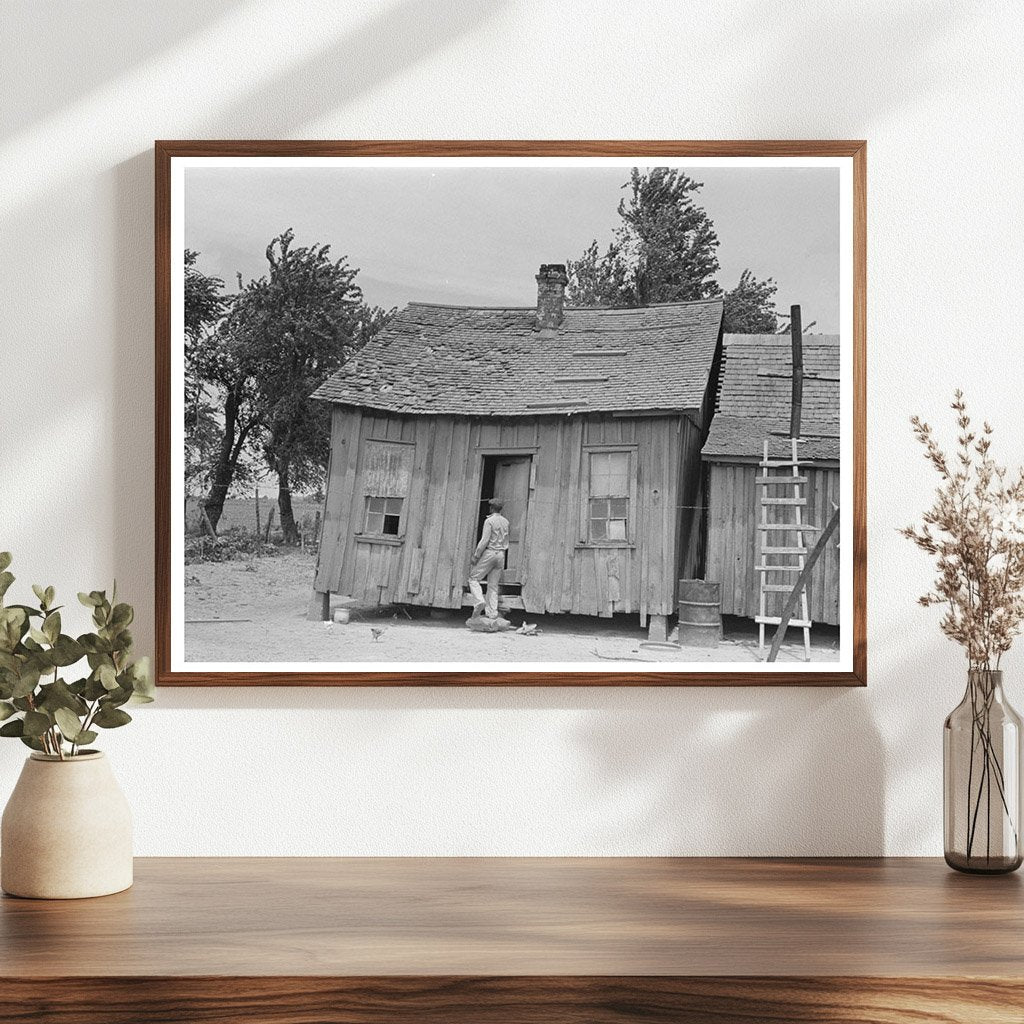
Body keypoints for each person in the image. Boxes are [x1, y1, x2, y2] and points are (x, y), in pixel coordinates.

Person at [468, 498, 510, 619]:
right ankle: (492, 613)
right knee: (493, 585)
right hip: (501, 554)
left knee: (473, 578)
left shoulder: (489, 521)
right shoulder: (506, 522)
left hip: (490, 552)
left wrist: (476, 555)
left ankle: (479, 601)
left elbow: (484, 540)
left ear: (491, 508)